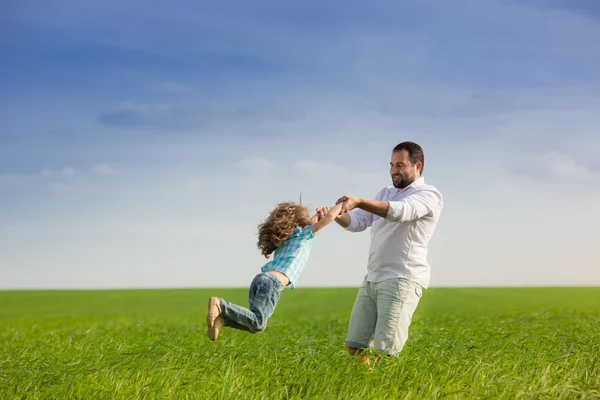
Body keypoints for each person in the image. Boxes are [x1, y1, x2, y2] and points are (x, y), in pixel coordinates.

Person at [317, 141, 443, 363]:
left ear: (417, 166)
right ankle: (364, 390)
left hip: (402, 278)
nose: (394, 170)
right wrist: (335, 214)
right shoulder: (386, 192)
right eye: (392, 165)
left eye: (400, 165)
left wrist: (359, 201)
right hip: (373, 279)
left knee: (384, 354)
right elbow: (357, 222)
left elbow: (400, 213)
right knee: (356, 347)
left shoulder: (428, 194)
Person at [206, 200, 345, 341]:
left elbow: (313, 221)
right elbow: (328, 218)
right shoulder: (304, 234)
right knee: (258, 323)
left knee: (255, 325)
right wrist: (341, 204)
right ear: (301, 222)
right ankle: (221, 305)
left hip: (261, 279)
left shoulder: (287, 236)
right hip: (272, 283)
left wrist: (317, 214)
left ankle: (223, 319)